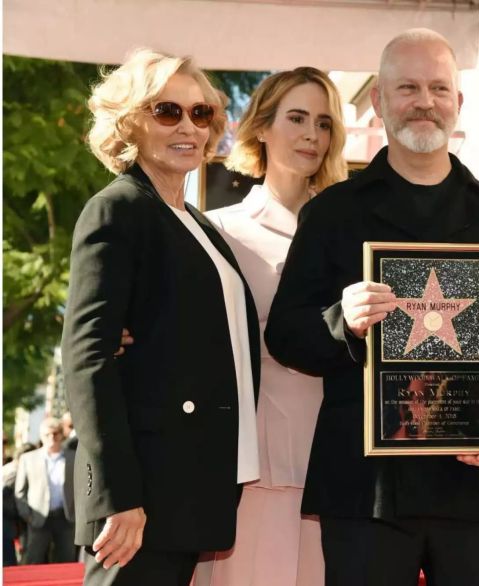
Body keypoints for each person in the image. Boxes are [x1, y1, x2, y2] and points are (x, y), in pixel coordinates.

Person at [265, 28, 479, 586]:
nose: (424, 102)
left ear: (457, 103)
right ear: (377, 100)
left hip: (474, 482)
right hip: (365, 488)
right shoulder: (332, 214)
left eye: (438, 88)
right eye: (407, 88)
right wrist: (342, 323)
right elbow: (284, 334)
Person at [62, 48, 261, 586]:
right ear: (129, 123)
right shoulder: (119, 208)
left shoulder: (195, 222)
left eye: (201, 114)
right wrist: (119, 496)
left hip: (190, 485)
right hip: (141, 497)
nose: (189, 127)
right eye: (166, 111)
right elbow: (87, 356)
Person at [192, 66, 347, 586]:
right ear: (261, 126)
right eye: (297, 118)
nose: (311, 135)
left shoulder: (350, 232)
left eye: (323, 123)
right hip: (258, 463)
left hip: (344, 454)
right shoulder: (220, 230)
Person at [13, 418, 77, 564]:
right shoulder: (28, 459)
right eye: (47, 434)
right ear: (41, 436)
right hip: (38, 518)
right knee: (32, 561)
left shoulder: (73, 457)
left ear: (61, 435)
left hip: (66, 518)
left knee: (66, 562)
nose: (52, 438)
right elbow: (20, 492)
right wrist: (28, 516)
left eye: (55, 433)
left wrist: (77, 513)